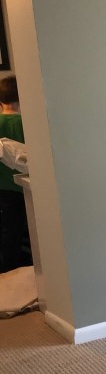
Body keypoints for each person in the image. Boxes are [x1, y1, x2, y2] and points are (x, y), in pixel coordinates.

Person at [0, 75, 29, 271]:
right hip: (22, 188)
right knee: (19, 229)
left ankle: (7, 269)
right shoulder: (27, 124)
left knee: (8, 230)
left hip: (2, 187)